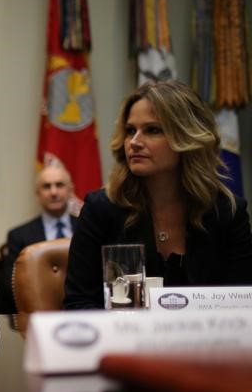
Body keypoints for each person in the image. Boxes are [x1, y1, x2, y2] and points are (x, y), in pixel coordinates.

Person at [64, 79, 252, 309]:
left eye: (152, 130)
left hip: (206, 342)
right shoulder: (101, 209)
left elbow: (242, 306)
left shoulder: (227, 212)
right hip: (123, 342)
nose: (134, 142)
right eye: (130, 130)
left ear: (186, 137)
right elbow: (78, 303)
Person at [4, 164, 77, 309]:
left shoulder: (88, 228)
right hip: (37, 315)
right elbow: (11, 285)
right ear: (38, 194)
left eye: (59, 185)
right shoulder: (18, 236)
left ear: (70, 190)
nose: (53, 192)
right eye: (46, 186)